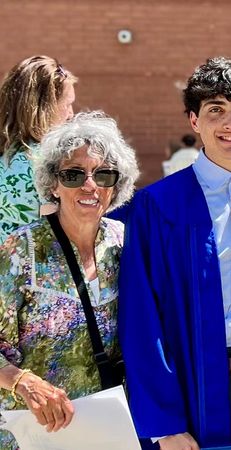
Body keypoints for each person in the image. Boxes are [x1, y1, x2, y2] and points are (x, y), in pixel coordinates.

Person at [118, 57, 231, 449]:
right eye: (216, 110)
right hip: (186, 383)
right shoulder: (158, 206)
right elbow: (140, 318)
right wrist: (164, 423)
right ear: (194, 121)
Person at [0, 111, 139, 450]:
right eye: (74, 175)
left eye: (103, 175)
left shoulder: (126, 243)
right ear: (53, 184)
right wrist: (22, 382)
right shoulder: (19, 250)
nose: (90, 185)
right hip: (33, 433)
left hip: (108, 430)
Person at [0, 55, 77, 242]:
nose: (71, 113)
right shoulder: (47, 160)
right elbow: (55, 236)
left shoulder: (6, 155)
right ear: (45, 107)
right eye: (67, 104)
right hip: (27, 267)